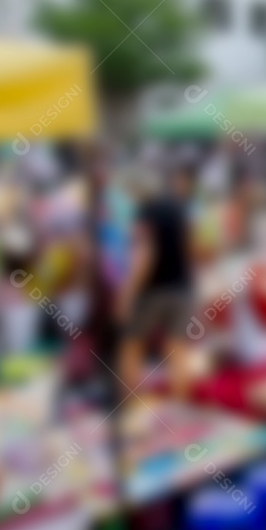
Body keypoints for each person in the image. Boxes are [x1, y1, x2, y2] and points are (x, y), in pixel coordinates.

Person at [114, 165, 196, 399]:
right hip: (182, 288)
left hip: (153, 291)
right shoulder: (177, 207)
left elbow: (144, 255)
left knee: (132, 344)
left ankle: (129, 404)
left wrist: (127, 294)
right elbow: (190, 245)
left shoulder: (145, 212)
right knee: (177, 347)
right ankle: (181, 403)